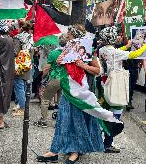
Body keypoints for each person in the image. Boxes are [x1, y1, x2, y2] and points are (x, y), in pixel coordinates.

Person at [37, 24, 104, 164]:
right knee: (63, 120)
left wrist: (82, 65)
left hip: (80, 92)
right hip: (67, 89)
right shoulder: (66, 49)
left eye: (69, 35)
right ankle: (55, 151)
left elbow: (97, 71)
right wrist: (60, 61)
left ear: (75, 36)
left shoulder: (88, 49)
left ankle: (75, 151)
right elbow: (61, 66)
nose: (66, 37)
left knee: (77, 121)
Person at [98, 26, 146, 153]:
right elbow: (135, 54)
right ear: (111, 38)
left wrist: (127, 45)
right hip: (114, 84)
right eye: (115, 35)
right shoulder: (115, 52)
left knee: (103, 110)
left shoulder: (102, 50)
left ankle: (98, 139)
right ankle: (108, 144)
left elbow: (117, 53)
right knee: (116, 112)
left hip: (103, 83)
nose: (118, 36)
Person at [33, 35, 66, 128]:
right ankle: (60, 122)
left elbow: (47, 68)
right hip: (64, 79)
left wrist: (42, 77)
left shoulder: (53, 53)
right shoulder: (68, 52)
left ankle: (43, 120)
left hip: (54, 78)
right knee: (61, 102)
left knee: (45, 99)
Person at [12, 21, 34, 117]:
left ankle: (22, 108)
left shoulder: (18, 38)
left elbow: (15, 52)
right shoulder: (31, 38)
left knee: (19, 86)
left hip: (19, 65)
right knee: (24, 86)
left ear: (20, 28)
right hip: (28, 64)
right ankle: (22, 105)